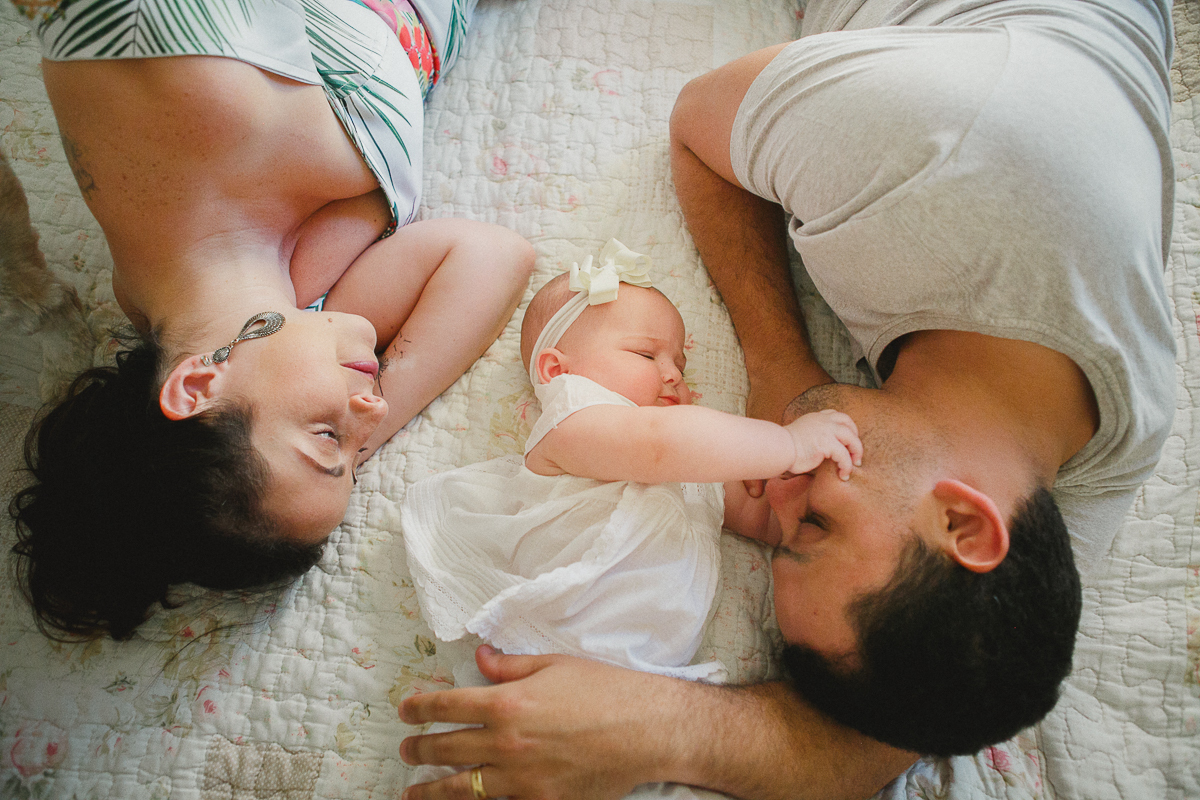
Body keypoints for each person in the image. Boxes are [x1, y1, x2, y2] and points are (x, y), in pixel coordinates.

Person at [395, 0, 1175, 797]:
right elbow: (698, 123)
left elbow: (898, 727)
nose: (775, 490)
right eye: (817, 522)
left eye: (785, 529)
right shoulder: (940, 149)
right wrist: (782, 370)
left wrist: (664, 726)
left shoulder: (1071, 460)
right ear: (961, 520)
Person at [6, 0, 535, 642]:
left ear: (197, 387)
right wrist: (365, 430)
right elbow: (493, 257)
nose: (368, 407)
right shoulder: (295, 315)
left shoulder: (177, 85)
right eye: (355, 452)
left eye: (324, 436)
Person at [400, 240, 862, 797]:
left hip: (643, 692)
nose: (672, 375)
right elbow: (656, 446)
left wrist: (811, 503)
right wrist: (785, 444)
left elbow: (763, 513)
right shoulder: (574, 423)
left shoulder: (699, 465)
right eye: (646, 356)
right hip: (542, 654)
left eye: (680, 364)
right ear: (557, 370)